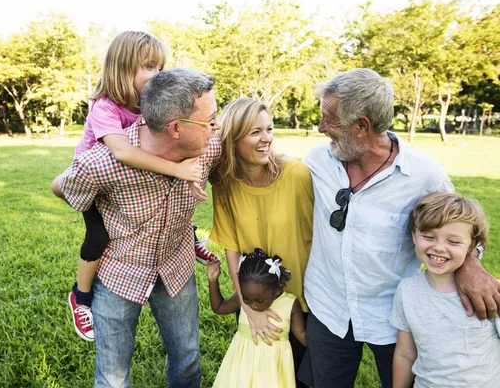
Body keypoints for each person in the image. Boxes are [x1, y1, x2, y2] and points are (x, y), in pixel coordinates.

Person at [298, 68, 500, 388]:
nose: (321, 127)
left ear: (361, 126)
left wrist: (471, 264)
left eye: (329, 119)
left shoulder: (424, 175)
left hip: (394, 317)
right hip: (329, 307)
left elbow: (459, 224)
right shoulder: (316, 161)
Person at [57, 68, 220, 387]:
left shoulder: (210, 147)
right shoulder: (101, 164)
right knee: (113, 378)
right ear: (176, 128)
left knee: (187, 361)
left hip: (177, 267)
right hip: (120, 274)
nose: (216, 128)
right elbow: (64, 187)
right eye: (210, 120)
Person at [209, 97, 314, 384]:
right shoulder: (225, 183)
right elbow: (231, 247)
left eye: (268, 129)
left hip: (304, 300)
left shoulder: (297, 175)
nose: (266, 139)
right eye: (255, 132)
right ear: (232, 139)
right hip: (257, 299)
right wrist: (247, 306)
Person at [391, 192, 500, 388]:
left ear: (472, 246)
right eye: (429, 236)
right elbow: (405, 355)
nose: (439, 247)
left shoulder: (489, 293)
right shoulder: (406, 291)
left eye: (453, 241)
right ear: (414, 236)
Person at [208, 248, 307, 388]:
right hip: (242, 368)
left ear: (278, 289)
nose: (253, 306)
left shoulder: (290, 304)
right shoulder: (242, 299)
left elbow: (303, 336)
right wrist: (213, 280)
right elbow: (219, 307)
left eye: (260, 301)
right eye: (247, 300)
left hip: (273, 372)